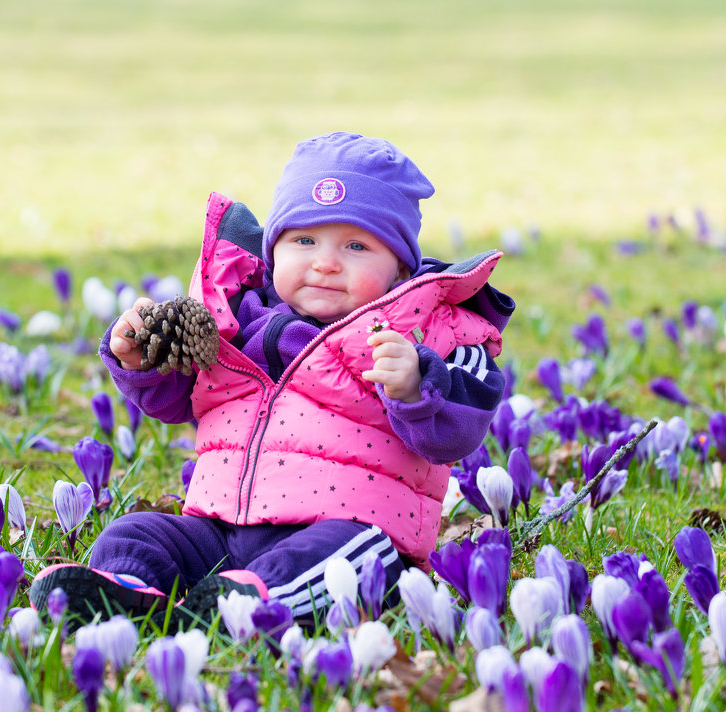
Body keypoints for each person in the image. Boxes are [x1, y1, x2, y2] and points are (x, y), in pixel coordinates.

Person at [30, 132, 514, 625]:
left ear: (399, 266)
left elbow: (458, 432)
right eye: (304, 240)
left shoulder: (430, 330)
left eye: (356, 245)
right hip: (219, 531)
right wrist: (141, 357)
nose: (325, 261)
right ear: (273, 249)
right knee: (134, 533)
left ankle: (249, 603)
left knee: (359, 554)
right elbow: (177, 399)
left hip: (342, 531)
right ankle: (131, 589)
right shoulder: (233, 319)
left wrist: (416, 386)